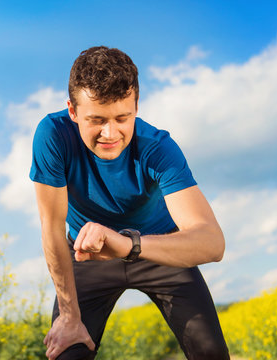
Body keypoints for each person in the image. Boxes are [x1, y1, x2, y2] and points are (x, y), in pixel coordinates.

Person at [29, 46, 229, 360]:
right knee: (68, 354)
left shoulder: (158, 147)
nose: (110, 133)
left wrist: (127, 244)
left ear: (136, 106)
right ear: (72, 111)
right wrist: (68, 315)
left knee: (211, 353)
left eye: (123, 118)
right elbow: (52, 227)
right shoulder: (52, 136)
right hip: (87, 257)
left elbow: (212, 242)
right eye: (96, 120)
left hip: (159, 249)